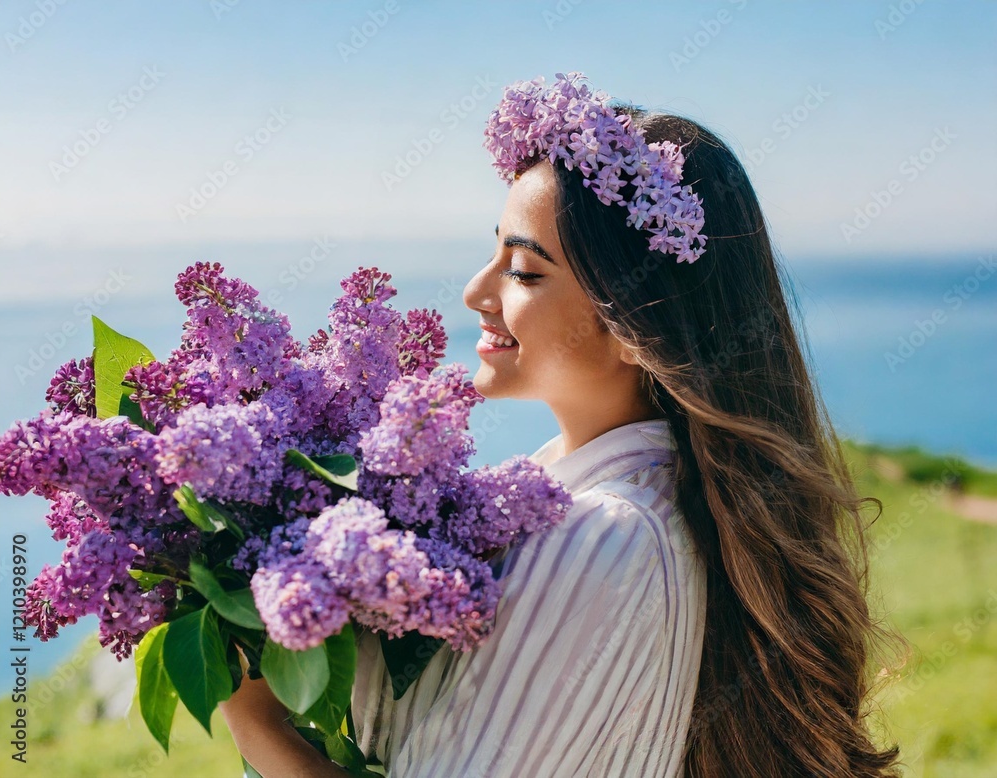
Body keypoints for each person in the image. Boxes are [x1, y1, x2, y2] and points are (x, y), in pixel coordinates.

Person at [220, 72, 903, 777]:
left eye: (522, 270)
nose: (477, 292)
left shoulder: (603, 539)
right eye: (496, 255)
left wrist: (255, 720)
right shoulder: (633, 507)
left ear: (635, 327)